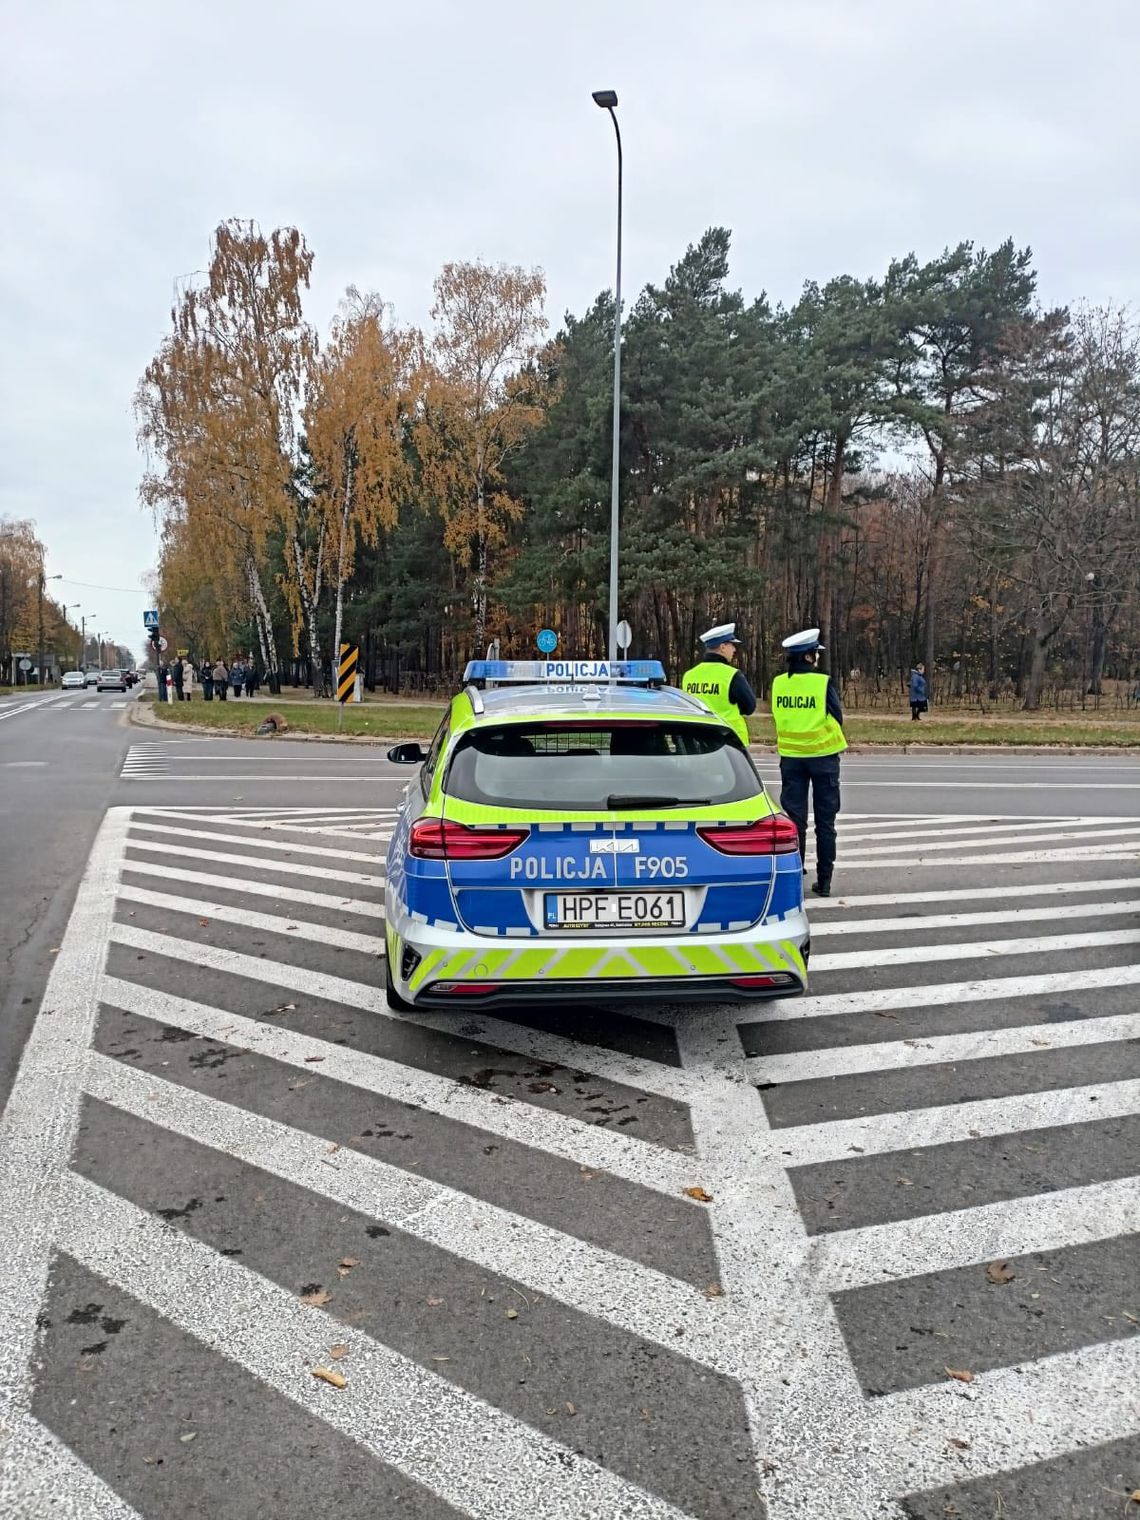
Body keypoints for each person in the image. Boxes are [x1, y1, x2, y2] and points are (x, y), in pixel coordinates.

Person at [770, 627, 847, 898]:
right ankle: (824, 881)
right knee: (825, 822)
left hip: (791, 759)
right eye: (815, 653)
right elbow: (837, 716)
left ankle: (794, 875)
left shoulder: (779, 683)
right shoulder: (822, 683)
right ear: (808, 657)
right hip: (823, 759)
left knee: (795, 821)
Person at [680, 622, 756, 746]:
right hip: (730, 741)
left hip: (699, 740)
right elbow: (749, 707)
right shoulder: (732, 675)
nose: (734, 649)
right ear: (722, 647)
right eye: (732, 645)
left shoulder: (689, 675)